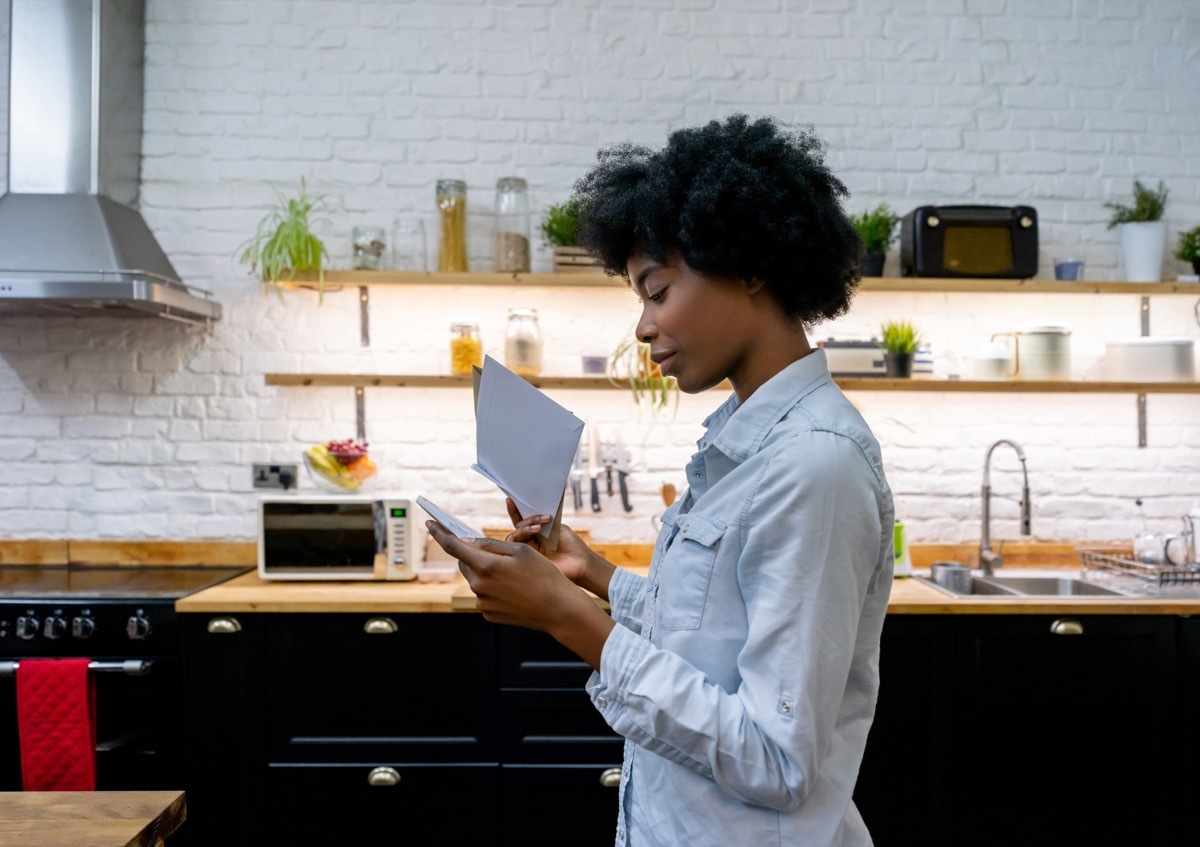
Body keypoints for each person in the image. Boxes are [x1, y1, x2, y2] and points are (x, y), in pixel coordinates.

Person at [426, 114, 894, 847]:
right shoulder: (751, 444)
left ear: (749, 266)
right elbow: (707, 633)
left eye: (658, 291)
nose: (643, 327)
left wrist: (566, 616)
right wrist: (590, 573)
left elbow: (776, 759)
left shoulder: (816, 465)